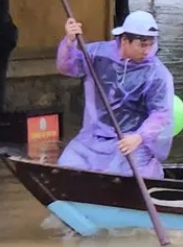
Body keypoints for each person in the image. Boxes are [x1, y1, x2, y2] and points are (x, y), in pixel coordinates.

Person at [56, 11, 175, 178]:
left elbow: (161, 113)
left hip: (130, 141)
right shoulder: (98, 53)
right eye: (142, 45)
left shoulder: (157, 73)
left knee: (121, 176)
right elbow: (67, 67)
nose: (147, 51)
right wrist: (69, 42)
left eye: (150, 44)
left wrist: (139, 137)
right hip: (93, 135)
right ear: (125, 40)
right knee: (67, 168)